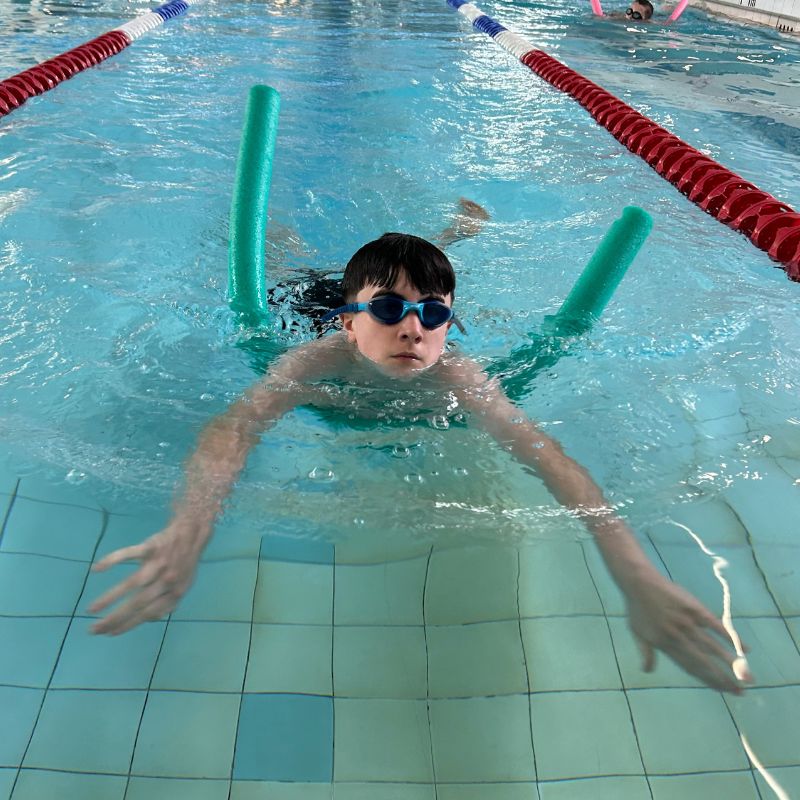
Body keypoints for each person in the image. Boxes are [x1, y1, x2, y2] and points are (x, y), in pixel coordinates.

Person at [89, 222, 750, 695]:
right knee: (298, 275)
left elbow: (552, 460)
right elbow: (233, 431)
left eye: (434, 314)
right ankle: (287, 244)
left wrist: (635, 575)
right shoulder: (314, 358)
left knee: (414, 275)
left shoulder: (459, 375)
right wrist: (190, 528)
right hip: (309, 306)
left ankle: (453, 232)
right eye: (390, 309)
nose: (413, 327)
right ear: (352, 322)